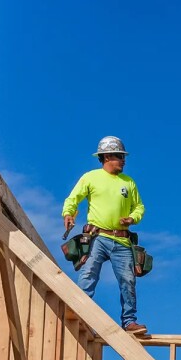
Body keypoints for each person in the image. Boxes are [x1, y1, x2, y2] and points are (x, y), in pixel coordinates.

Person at [62, 135, 148, 335]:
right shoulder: (91, 177)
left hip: (121, 239)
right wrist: (68, 213)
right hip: (98, 236)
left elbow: (139, 207)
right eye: (119, 156)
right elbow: (73, 198)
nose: (123, 160)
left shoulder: (128, 182)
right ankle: (80, 312)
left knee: (128, 280)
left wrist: (132, 218)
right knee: (89, 273)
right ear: (107, 156)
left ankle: (129, 322)